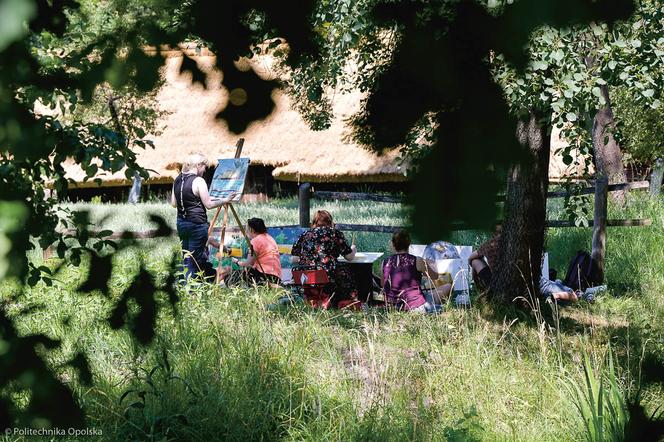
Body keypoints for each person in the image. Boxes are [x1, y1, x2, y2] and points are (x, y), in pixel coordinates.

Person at [170, 153, 235, 281]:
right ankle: (194, 290)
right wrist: (225, 199)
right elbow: (209, 204)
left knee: (187, 257)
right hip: (197, 225)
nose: (205, 170)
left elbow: (173, 203)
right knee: (196, 260)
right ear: (198, 165)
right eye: (204, 166)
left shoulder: (177, 179)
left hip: (182, 223)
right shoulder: (198, 181)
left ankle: (189, 286)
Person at [291, 210, 358, 307]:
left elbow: (294, 259)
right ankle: (345, 301)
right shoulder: (334, 233)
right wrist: (353, 249)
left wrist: (310, 259)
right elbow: (349, 257)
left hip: (304, 277)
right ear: (330, 222)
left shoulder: (304, 234)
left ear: (314, 222)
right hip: (326, 275)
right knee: (345, 271)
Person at [382, 230, 442, 312]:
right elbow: (435, 276)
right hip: (415, 306)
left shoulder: (385, 262)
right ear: (409, 243)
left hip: (391, 306)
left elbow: (383, 284)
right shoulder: (417, 260)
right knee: (447, 286)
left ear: (393, 244)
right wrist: (432, 263)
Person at [234, 218, 282, 286]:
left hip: (264, 276)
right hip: (276, 277)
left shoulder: (255, 241)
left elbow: (249, 263)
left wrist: (237, 262)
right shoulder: (270, 238)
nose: (246, 231)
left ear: (252, 230)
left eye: (247, 229)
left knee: (232, 276)